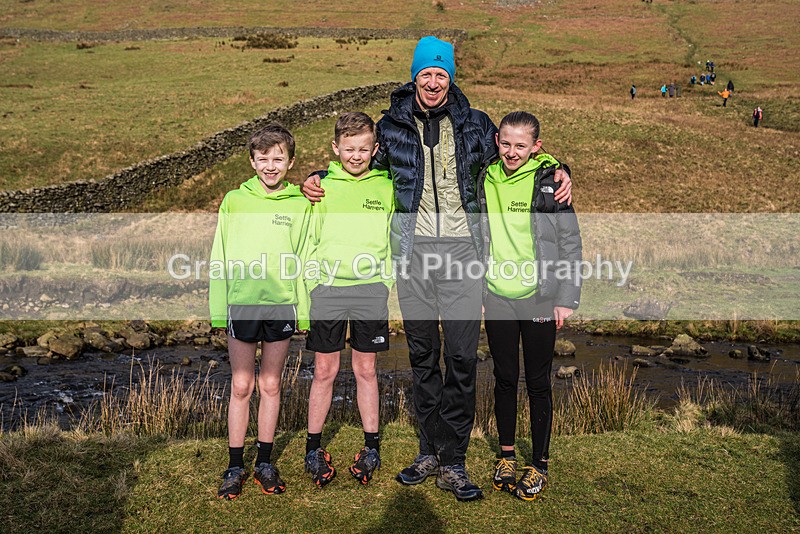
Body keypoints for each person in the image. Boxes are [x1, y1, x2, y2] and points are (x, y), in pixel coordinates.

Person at [301, 35, 574, 502]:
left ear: (450, 77)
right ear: (415, 76)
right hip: (413, 258)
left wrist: (559, 167)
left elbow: (517, 160)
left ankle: (455, 460)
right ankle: (429, 450)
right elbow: (359, 164)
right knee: (423, 357)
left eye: (440, 73)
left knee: (462, 358)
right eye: (425, 73)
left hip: (464, 258)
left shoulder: (477, 125)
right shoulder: (390, 127)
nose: (432, 81)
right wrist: (318, 176)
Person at [479, 111, 582, 502]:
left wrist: (566, 298)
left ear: (536, 146)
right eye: (505, 143)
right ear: (497, 142)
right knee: (504, 379)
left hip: (540, 297)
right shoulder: (485, 175)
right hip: (497, 296)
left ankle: (539, 465)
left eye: (521, 145)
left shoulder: (550, 182)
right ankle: (506, 455)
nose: (511, 151)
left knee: (538, 383)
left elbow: (570, 242)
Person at [210, 124, 312, 500]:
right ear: (252, 161)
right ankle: (235, 465)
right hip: (242, 304)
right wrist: (219, 310)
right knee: (241, 385)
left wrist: (304, 313)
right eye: (264, 158)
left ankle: (265, 461)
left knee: (270, 385)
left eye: (278, 158)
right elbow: (218, 255)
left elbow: (304, 259)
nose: (271, 166)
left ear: (290, 161)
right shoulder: (234, 201)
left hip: (282, 304)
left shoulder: (300, 205)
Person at [303, 112, 394, 489]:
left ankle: (371, 445)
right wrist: (311, 282)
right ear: (335, 148)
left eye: (363, 149)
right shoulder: (321, 187)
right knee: (324, 371)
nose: (356, 156)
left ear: (375, 149)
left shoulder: (386, 186)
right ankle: (313, 447)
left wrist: (386, 278)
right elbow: (309, 236)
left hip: (371, 288)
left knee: (366, 370)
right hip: (327, 289)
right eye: (349, 149)